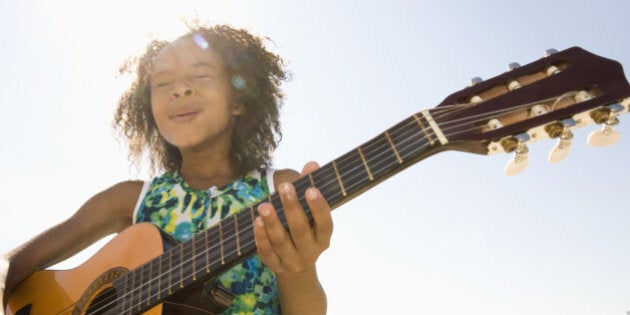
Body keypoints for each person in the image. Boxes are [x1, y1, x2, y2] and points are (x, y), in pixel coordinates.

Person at [0, 23, 333, 314]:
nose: (179, 89)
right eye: (162, 83)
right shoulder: (130, 199)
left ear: (239, 100)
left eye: (200, 75)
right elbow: (12, 265)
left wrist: (298, 271)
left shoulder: (281, 190)